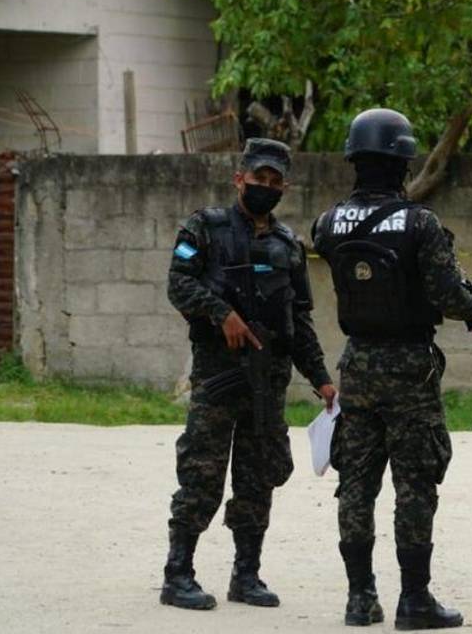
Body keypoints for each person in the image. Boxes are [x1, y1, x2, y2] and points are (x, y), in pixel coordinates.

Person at [312, 109, 472, 630]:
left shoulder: (327, 223)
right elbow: (444, 293)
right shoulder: (420, 224)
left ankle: (359, 598)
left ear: (353, 158)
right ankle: (414, 601)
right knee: (415, 483)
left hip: (357, 368)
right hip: (410, 369)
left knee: (356, 483)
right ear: (403, 159)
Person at [161, 138, 337, 610]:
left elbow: (299, 320)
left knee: (258, 480)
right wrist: (221, 313)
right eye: (259, 178)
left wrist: (320, 377)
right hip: (219, 380)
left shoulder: (288, 246)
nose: (266, 187)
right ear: (239, 178)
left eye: (275, 181)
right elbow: (178, 283)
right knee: (201, 473)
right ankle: (178, 574)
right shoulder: (205, 228)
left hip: (267, 384)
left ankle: (247, 575)